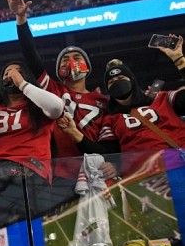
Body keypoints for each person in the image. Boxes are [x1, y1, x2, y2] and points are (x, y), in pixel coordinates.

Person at [5, 0, 110, 178]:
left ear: (87, 67)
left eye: (76, 57)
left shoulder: (103, 101)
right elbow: (31, 55)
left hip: (97, 173)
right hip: (60, 174)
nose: (70, 62)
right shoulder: (52, 89)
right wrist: (21, 20)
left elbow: (112, 144)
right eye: (64, 60)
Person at [58, 35, 185, 176]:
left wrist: (179, 60)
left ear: (132, 81)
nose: (116, 82)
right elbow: (107, 153)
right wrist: (74, 133)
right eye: (111, 82)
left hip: (179, 165)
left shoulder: (163, 99)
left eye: (121, 78)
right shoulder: (111, 120)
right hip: (146, 178)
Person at [0, 61, 64, 227]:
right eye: (7, 73)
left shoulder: (38, 107)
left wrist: (22, 84)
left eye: (17, 72)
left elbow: (57, 107)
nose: (11, 75)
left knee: (36, 232)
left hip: (32, 172)